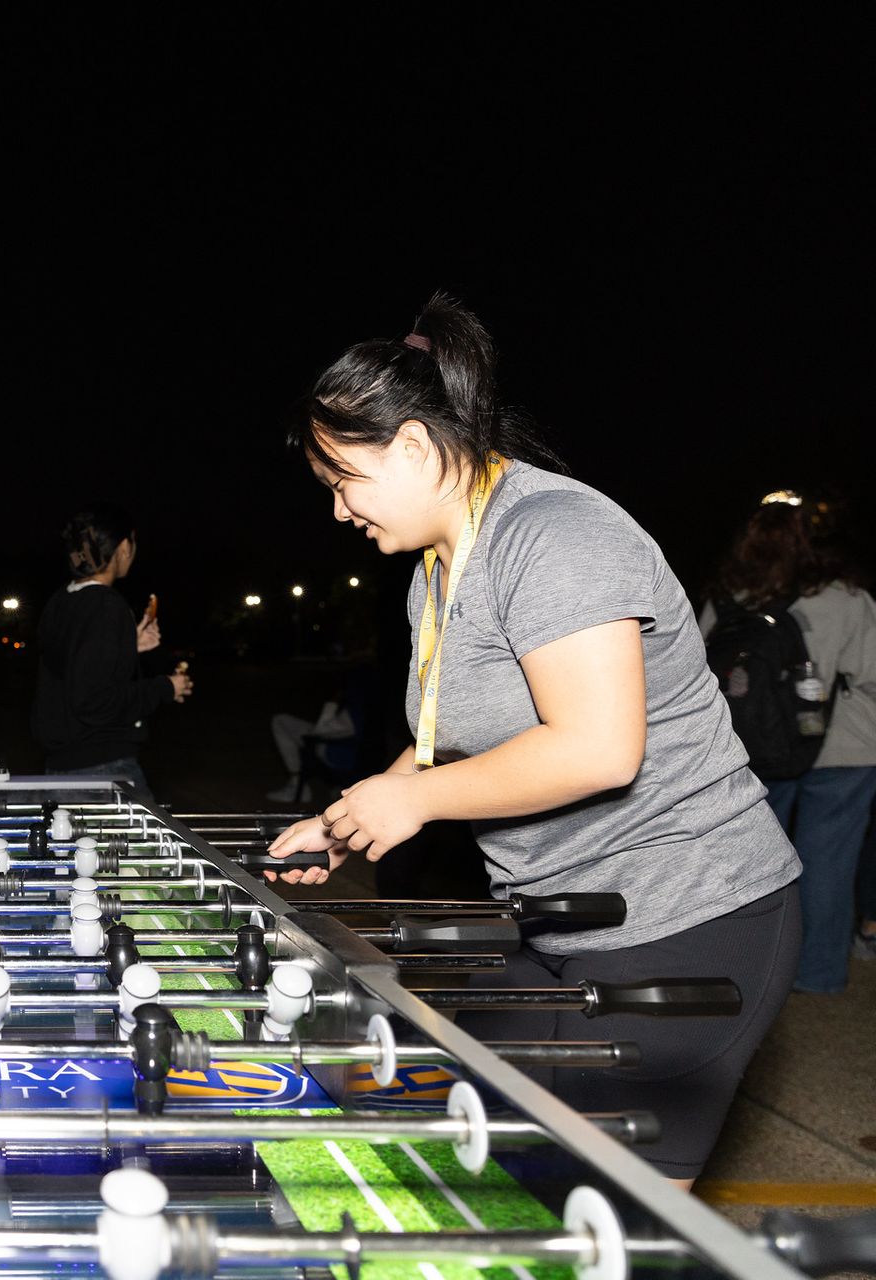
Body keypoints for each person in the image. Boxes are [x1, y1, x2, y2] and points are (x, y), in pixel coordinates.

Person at [265, 294, 800, 1187]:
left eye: (341, 482)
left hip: (691, 914)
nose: (338, 513)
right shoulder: (435, 572)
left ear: (412, 445)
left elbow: (600, 748)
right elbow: (439, 744)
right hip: (557, 920)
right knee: (510, 1179)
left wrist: (418, 800)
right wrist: (347, 820)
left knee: (620, 1223)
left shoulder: (554, 534)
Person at [700, 499, 876, 995]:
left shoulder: (733, 597)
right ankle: (817, 974)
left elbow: (695, 671)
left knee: (754, 863)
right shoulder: (847, 598)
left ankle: (749, 966)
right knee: (829, 862)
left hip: (752, 748)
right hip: (844, 749)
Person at [31, 504, 193, 792]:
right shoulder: (107, 605)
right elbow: (94, 702)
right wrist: (166, 687)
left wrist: (127, 646)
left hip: (59, 769)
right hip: (102, 771)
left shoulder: (61, 601)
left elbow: (72, 664)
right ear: (122, 548)